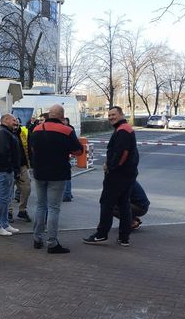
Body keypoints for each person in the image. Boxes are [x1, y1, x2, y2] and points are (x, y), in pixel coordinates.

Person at [28, 104, 83, 254]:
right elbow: (79, 150)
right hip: (58, 174)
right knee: (53, 208)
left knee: (40, 206)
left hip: (39, 172)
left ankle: (37, 239)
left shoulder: (37, 129)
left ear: (49, 115)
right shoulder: (67, 130)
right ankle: (52, 243)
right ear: (62, 116)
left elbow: (32, 148)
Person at [83, 106, 139, 247]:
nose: (111, 117)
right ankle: (124, 237)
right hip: (128, 174)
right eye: (109, 115)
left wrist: (111, 167)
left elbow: (122, 153)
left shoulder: (122, 131)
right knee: (124, 204)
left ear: (121, 114)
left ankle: (101, 234)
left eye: (113, 114)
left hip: (118, 175)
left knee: (106, 203)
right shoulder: (125, 128)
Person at [0, 114, 21, 237]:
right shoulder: (3, 133)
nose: (16, 122)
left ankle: (4, 224)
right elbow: (3, 152)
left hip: (5, 170)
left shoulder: (6, 132)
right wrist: (10, 168)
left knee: (6, 199)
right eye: (13, 120)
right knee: (2, 199)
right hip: (3, 170)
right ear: (5, 120)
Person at [9, 118, 32, 223]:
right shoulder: (5, 134)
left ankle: (22, 210)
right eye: (13, 124)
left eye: (17, 124)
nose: (15, 126)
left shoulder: (23, 133)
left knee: (27, 188)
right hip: (9, 167)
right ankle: (8, 211)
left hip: (23, 166)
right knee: (9, 190)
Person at [62, 117, 76, 202]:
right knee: (66, 176)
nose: (64, 122)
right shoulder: (67, 129)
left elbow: (74, 144)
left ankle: (67, 193)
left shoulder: (69, 129)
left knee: (66, 176)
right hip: (65, 155)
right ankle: (68, 193)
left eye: (65, 120)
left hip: (65, 155)